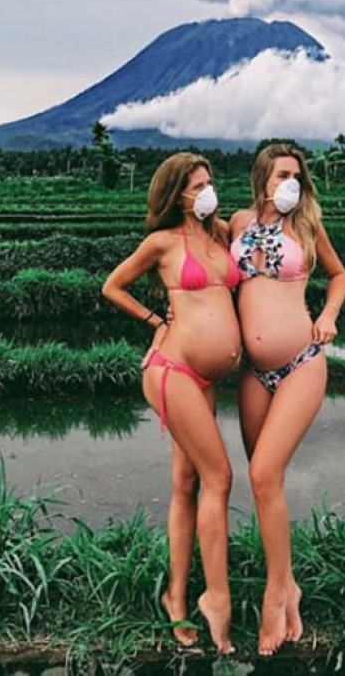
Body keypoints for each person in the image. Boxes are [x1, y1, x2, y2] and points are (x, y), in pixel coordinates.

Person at [101, 152, 240, 654]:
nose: (208, 191)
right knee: (219, 477)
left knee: (186, 484)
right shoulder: (162, 242)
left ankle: (173, 595)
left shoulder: (220, 234)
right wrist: (155, 322)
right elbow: (112, 287)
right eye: (198, 185)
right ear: (176, 193)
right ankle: (212, 600)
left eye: (210, 182)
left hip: (205, 378)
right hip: (173, 371)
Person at [229, 142, 345, 656]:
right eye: (282, 173)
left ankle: (276, 597)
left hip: (301, 362)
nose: (290, 182)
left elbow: (339, 275)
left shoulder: (306, 225)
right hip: (254, 373)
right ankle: (289, 583)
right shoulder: (235, 222)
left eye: (297, 175)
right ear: (263, 177)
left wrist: (328, 316)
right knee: (264, 483)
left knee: (261, 475)